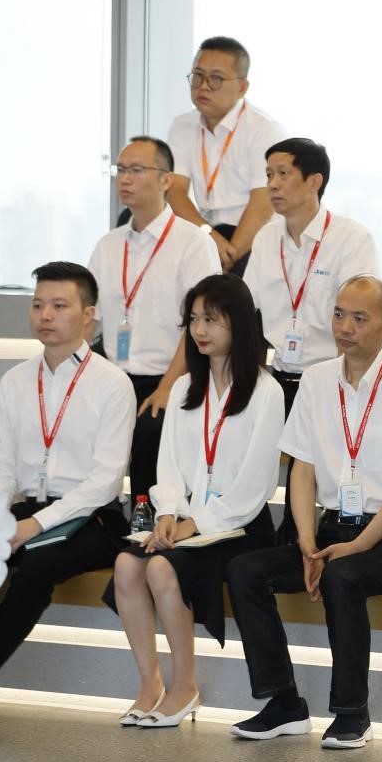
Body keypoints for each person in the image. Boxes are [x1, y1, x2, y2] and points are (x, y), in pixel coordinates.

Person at [225, 276, 382, 750]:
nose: (345, 327)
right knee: (244, 570)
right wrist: (306, 542)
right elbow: (301, 469)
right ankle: (284, 703)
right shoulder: (317, 380)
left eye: (359, 318)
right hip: (329, 530)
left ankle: (351, 713)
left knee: (343, 575)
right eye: (339, 314)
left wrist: (359, 545)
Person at [104, 274, 284, 728]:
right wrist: (167, 513)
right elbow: (168, 465)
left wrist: (193, 525)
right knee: (127, 564)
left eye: (212, 320)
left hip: (240, 527)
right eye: (194, 319)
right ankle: (149, 685)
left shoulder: (267, 391)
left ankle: (185, 687)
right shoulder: (185, 387)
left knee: (161, 568)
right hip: (186, 523)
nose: (200, 330)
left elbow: (253, 486)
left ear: (238, 323)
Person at [0, 263, 136, 717]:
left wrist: (32, 527)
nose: (45, 315)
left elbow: (104, 482)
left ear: (88, 315)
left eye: (59, 305)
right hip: (28, 509)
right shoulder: (16, 381)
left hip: (93, 518)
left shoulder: (113, 384)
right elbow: (2, 466)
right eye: (38, 304)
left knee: (38, 565)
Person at [244, 138, 380, 550]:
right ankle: (245, 529)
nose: (272, 184)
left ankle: (295, 534)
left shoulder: (350, 238)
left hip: (328, 377)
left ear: (314, 181)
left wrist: (337, 382)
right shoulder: (266, 238)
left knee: (308, 430)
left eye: (283, 174)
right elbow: (246, 312)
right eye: (268, 174)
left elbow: (356, 320)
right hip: (277, 376)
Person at [88, 136, 220, 503]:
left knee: (150, 433)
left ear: (166, 180)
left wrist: (166, 386)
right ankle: (99, 521)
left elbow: (199, 325)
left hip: (172, 379)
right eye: (120, 170)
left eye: (136, 170)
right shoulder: (108, 245)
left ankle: (147, 524)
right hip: (113, 378)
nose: (125, 178)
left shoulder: (193, 243)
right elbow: (88, 318)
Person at [166, 36, 286, 277]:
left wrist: (228, 255)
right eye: (198, 76)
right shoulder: (182, 126)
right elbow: (175, 191)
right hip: (207, 230)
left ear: (242, 88)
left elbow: (262, 204)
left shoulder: (263, 129)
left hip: (254, 236)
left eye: (216, 79)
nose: (203, 86)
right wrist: (208, 237)